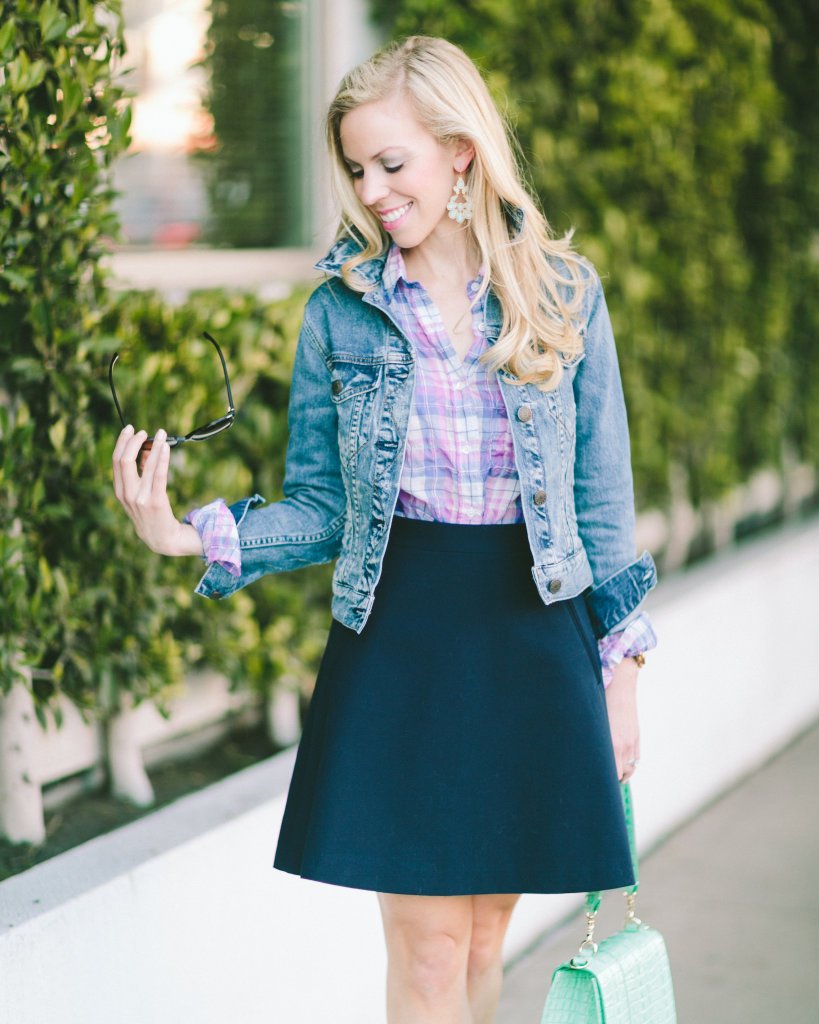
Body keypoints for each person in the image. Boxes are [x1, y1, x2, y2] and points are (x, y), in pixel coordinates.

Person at [112, 35, 657, 1024]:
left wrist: (622, 674)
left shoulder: (564, 293)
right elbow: (322, 505)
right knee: (429, 952)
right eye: (357, 169)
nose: (370, 189)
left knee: (489, 927)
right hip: (405, 633)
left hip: (538, 630)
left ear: (460, 152)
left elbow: (604, 506)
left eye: (390, 163)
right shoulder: (344, 312)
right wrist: (186, 535)